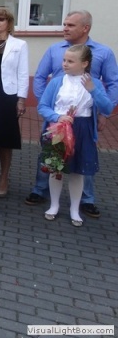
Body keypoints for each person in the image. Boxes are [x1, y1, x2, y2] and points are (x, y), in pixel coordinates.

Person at [25, 10, 118, 219]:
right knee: (53, 162)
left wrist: (102, 110)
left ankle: (85, 201)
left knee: (80, 167)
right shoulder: (55, 53)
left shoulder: (103, 53)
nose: (65, 28)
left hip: (84, 123)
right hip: (58, 123)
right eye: (64, 24)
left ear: (85, 28)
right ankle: (43, 193)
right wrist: (52, 111)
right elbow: (40, 79)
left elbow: (112, 85)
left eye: (70, 25)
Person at [38, 45, 113, 227]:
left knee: (77, 172)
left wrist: (93, 90)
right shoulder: (57, 82)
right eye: (64, 60)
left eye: (70, 61)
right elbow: (43, 106)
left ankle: (74, 208)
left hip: (82, 129)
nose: (65, 64)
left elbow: (107, 108)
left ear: (84, 63)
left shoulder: (94, 83)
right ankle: (54, 205)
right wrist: (57, 116)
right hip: (58, 129)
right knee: (56, 168)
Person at [0, 7, 28, 198]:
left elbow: (23, 73)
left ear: (9, 23)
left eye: (1, 19)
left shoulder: (20, 45)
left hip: (7, 96)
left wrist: (21, 100)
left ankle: (4, 177)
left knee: (5, 140)